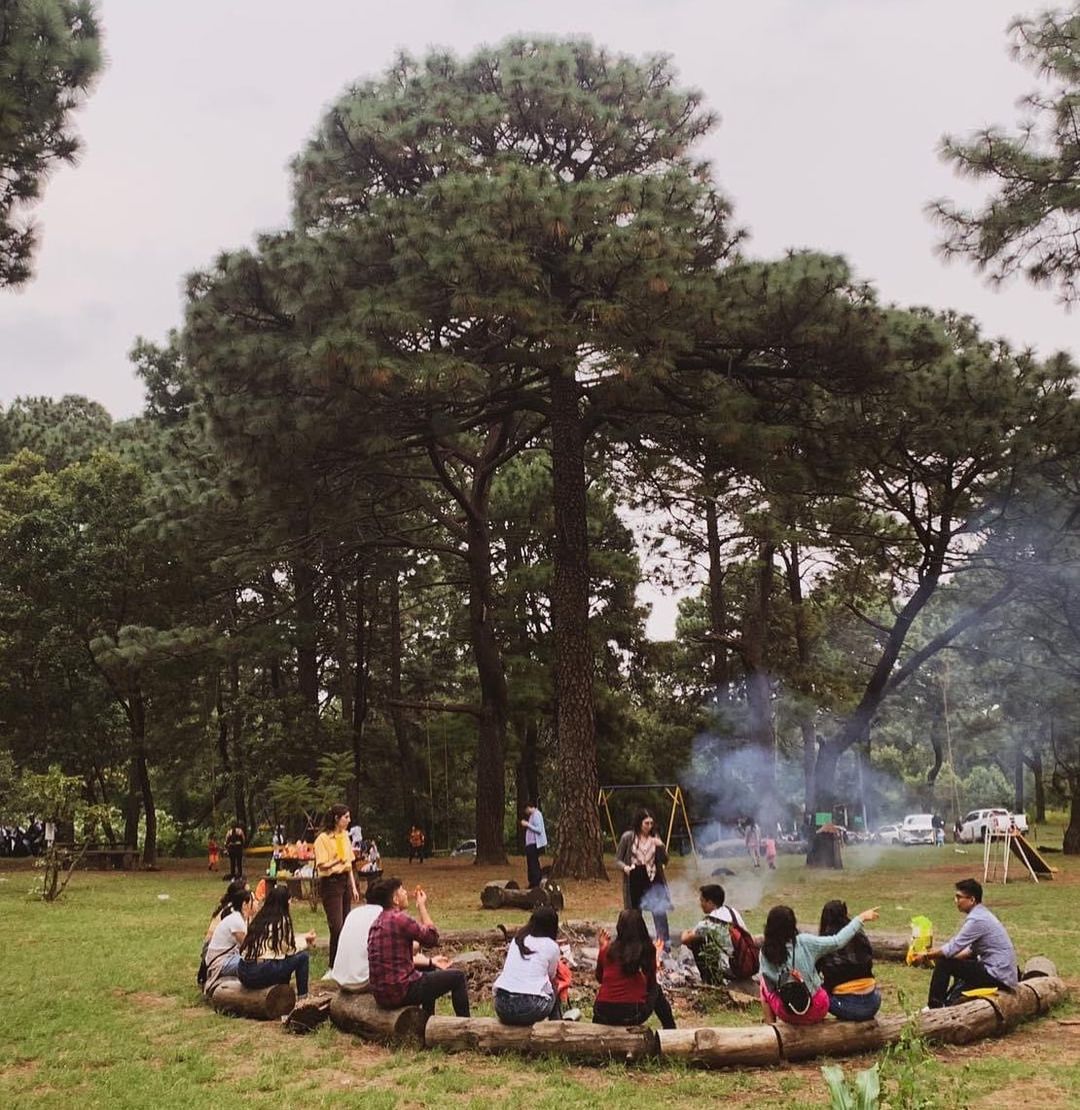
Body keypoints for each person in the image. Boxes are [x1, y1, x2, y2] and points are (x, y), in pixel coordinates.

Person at [758, 903, 879, 1025]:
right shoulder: (805, 942)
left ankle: (770, 1026)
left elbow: (771, 987)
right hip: (817, 1009)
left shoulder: (765, 953)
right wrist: (860, 918)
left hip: (789, 1013)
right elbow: (838, 941)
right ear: (793, 925)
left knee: (763, 984)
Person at [366, 877, 470, 1017]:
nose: (406, 893)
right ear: (395, 899)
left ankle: (426, 1020)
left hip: (381, 995)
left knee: (429, 969)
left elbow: (407, 950)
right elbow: (432, 938)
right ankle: (466, 1027)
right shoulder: (399, 918)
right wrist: (421, 906)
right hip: (400, 992)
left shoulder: (377, 923)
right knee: (457, 977)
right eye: (402, 890)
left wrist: (431, 962)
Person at [913, 878, 1018, 1008]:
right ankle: (949, 1001)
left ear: (972, 900)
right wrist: (943, 956)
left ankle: (934, 1007)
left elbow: (952, 948)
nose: (955, 901)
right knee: (954, 961)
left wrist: (925, 956)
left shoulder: (977, 919)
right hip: (1003, 973)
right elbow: (969, 951)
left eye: (959, 897)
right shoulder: (982, 914)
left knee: (944, 963)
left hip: (997, 974)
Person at [593, 908, 676, 1030]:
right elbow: (651, 982)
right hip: (632, 1014)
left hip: (602, 1013)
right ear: (642, 927)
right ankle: (670, 1029)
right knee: (656, 989)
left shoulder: (608, 949)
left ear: (619, 928)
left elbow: (600, 978)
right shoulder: (647, 950)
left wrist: (602, 948)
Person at [238, 885, 315, 999]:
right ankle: (303, 997)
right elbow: (289, 950)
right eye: (289, 901)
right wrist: (305, 943)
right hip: (260, 972)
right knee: (302, 957)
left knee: (280, 960)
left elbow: (280, 944)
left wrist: (303, 937)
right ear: (285, 902)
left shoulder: (260, 918)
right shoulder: (282, 920)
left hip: (243, 971)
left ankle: (283, 996)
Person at [492, 906, 563, 1025]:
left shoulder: (517, 939)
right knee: (553, 987)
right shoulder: (551, 946)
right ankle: (556, 1025)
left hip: (502, 1004)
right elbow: (551, 976)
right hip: (529, 1007)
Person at [615, 809, 672, 951]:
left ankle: (664, 944)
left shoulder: (655, 838)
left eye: (651, 823)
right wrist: (625, 868)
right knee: (634, 913)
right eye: (646, 823)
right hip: (636, 876)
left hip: (653, 877)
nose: (649, 826)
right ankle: (635, 944)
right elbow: (617, 860)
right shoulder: (628, 837)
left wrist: (661, 846)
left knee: (659, 911)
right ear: (639, 823)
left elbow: (665, 860)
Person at [816, 899, 882, 1021]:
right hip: (873, 1003)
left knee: (818, 995)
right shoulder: (859, 934)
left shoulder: (824, 942)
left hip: (848, 1006)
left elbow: (815, 973)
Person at [314, 803, 359, 970]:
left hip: (344, 881)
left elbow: (349, 865)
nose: (349, 820)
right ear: (336, 818)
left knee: (346, 925)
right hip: (330, 883)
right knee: (337, 926)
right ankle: (333, 965)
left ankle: (345, 963)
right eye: (346, 817)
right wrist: (336, 861)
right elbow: (321, 865)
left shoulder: (345, 836)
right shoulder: (323, 839)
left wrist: (353, 887)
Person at [679, 884, 748, 984]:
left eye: (702, 901)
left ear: (710, 902)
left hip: (734, 969)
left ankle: (711, 982)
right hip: (747, 962)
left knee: (696, 942)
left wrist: (685, 932)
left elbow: (685, 939)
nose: (700, 904)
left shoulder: (708, 923)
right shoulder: (732, 911)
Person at [203, 888, 255, 995]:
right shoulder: (237, 921)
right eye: (254, 901)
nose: (257, 903)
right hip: (220, 962)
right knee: (253, 964)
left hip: (227, 958)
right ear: (245, 905)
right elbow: (247, 948)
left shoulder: (238, 918)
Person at [326, 897, 383, 992]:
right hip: (363, 981)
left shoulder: (354, 912)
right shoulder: (383, 914)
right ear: (394, 899)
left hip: (340, 980)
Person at [521, 802, 548, 889]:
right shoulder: (532, 815)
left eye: (526, 810)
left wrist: (527, 824)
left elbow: (539, 829)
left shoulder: (536, 815)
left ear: (528, 808)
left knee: (533, 863)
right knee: (531, 863)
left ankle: (536, 882)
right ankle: (532, 881)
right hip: (530, 844)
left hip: (534, 843)